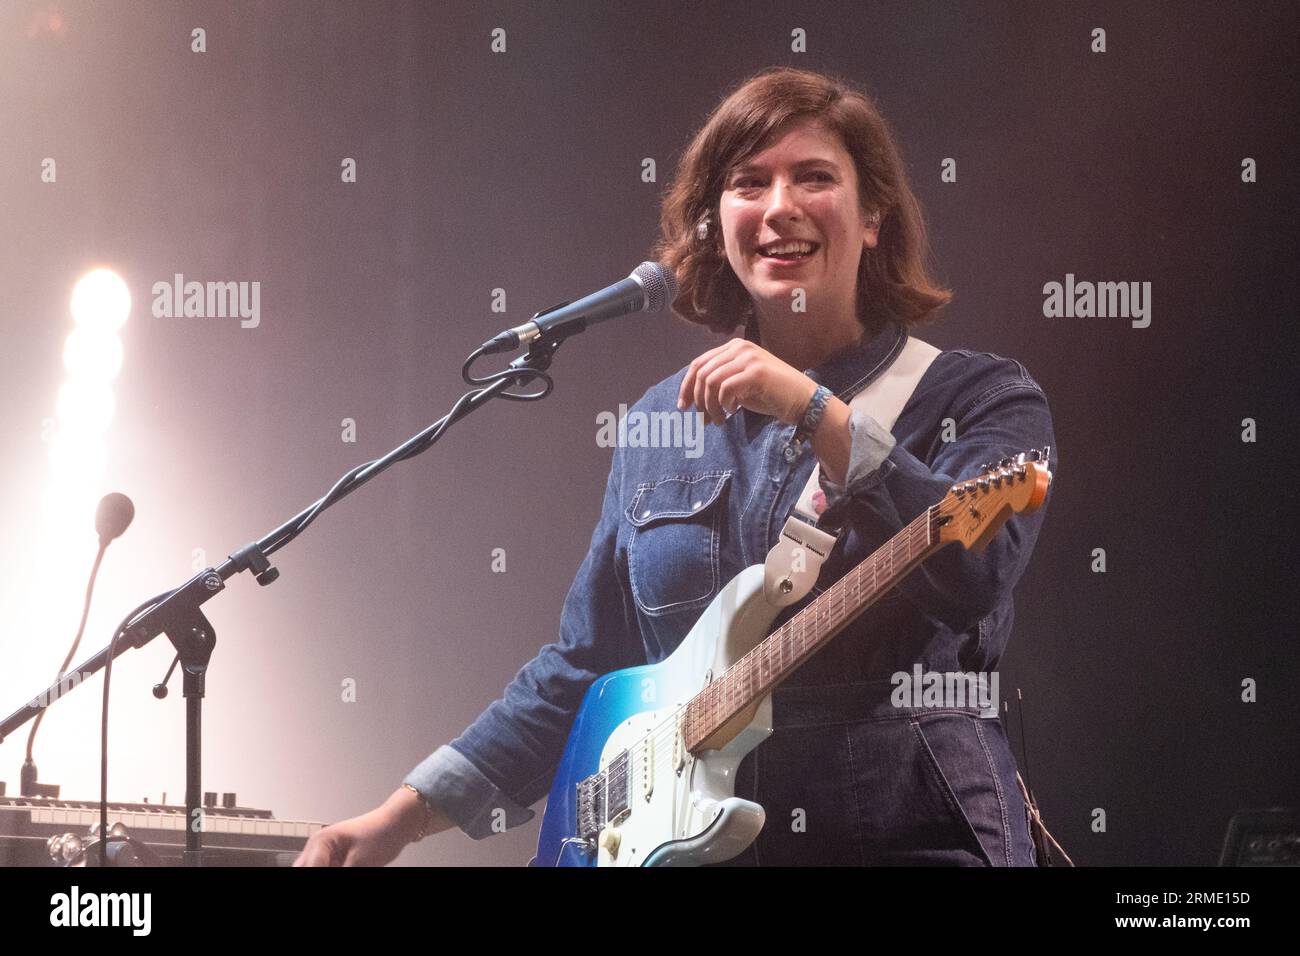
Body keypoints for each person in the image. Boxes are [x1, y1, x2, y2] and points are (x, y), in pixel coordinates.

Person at [295, 66, 1057, 867]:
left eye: (814, 178)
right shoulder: (663, 421)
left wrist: (815, 411)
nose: (779, 207)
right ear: (714, 226)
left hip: (901, 836)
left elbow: (977, 575)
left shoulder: (977, 394)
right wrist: (402, 815)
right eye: (748, 183)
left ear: (873, 218)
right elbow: (585, 667)